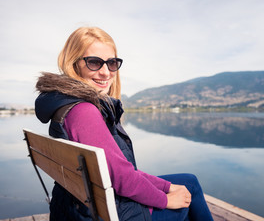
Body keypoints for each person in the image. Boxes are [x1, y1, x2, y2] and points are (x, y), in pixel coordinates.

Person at [35, 26, 214, 221]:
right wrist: (165, 200)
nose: (106, 72)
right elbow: (122, 179)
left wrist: (167, 187)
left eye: (112, 63)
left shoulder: (65, 105)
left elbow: (119, 171)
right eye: (94, 62)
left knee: (187, 183)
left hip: (83, 205)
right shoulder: (83, 112)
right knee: (189, 190)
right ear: (74, 63)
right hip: (108, 213)